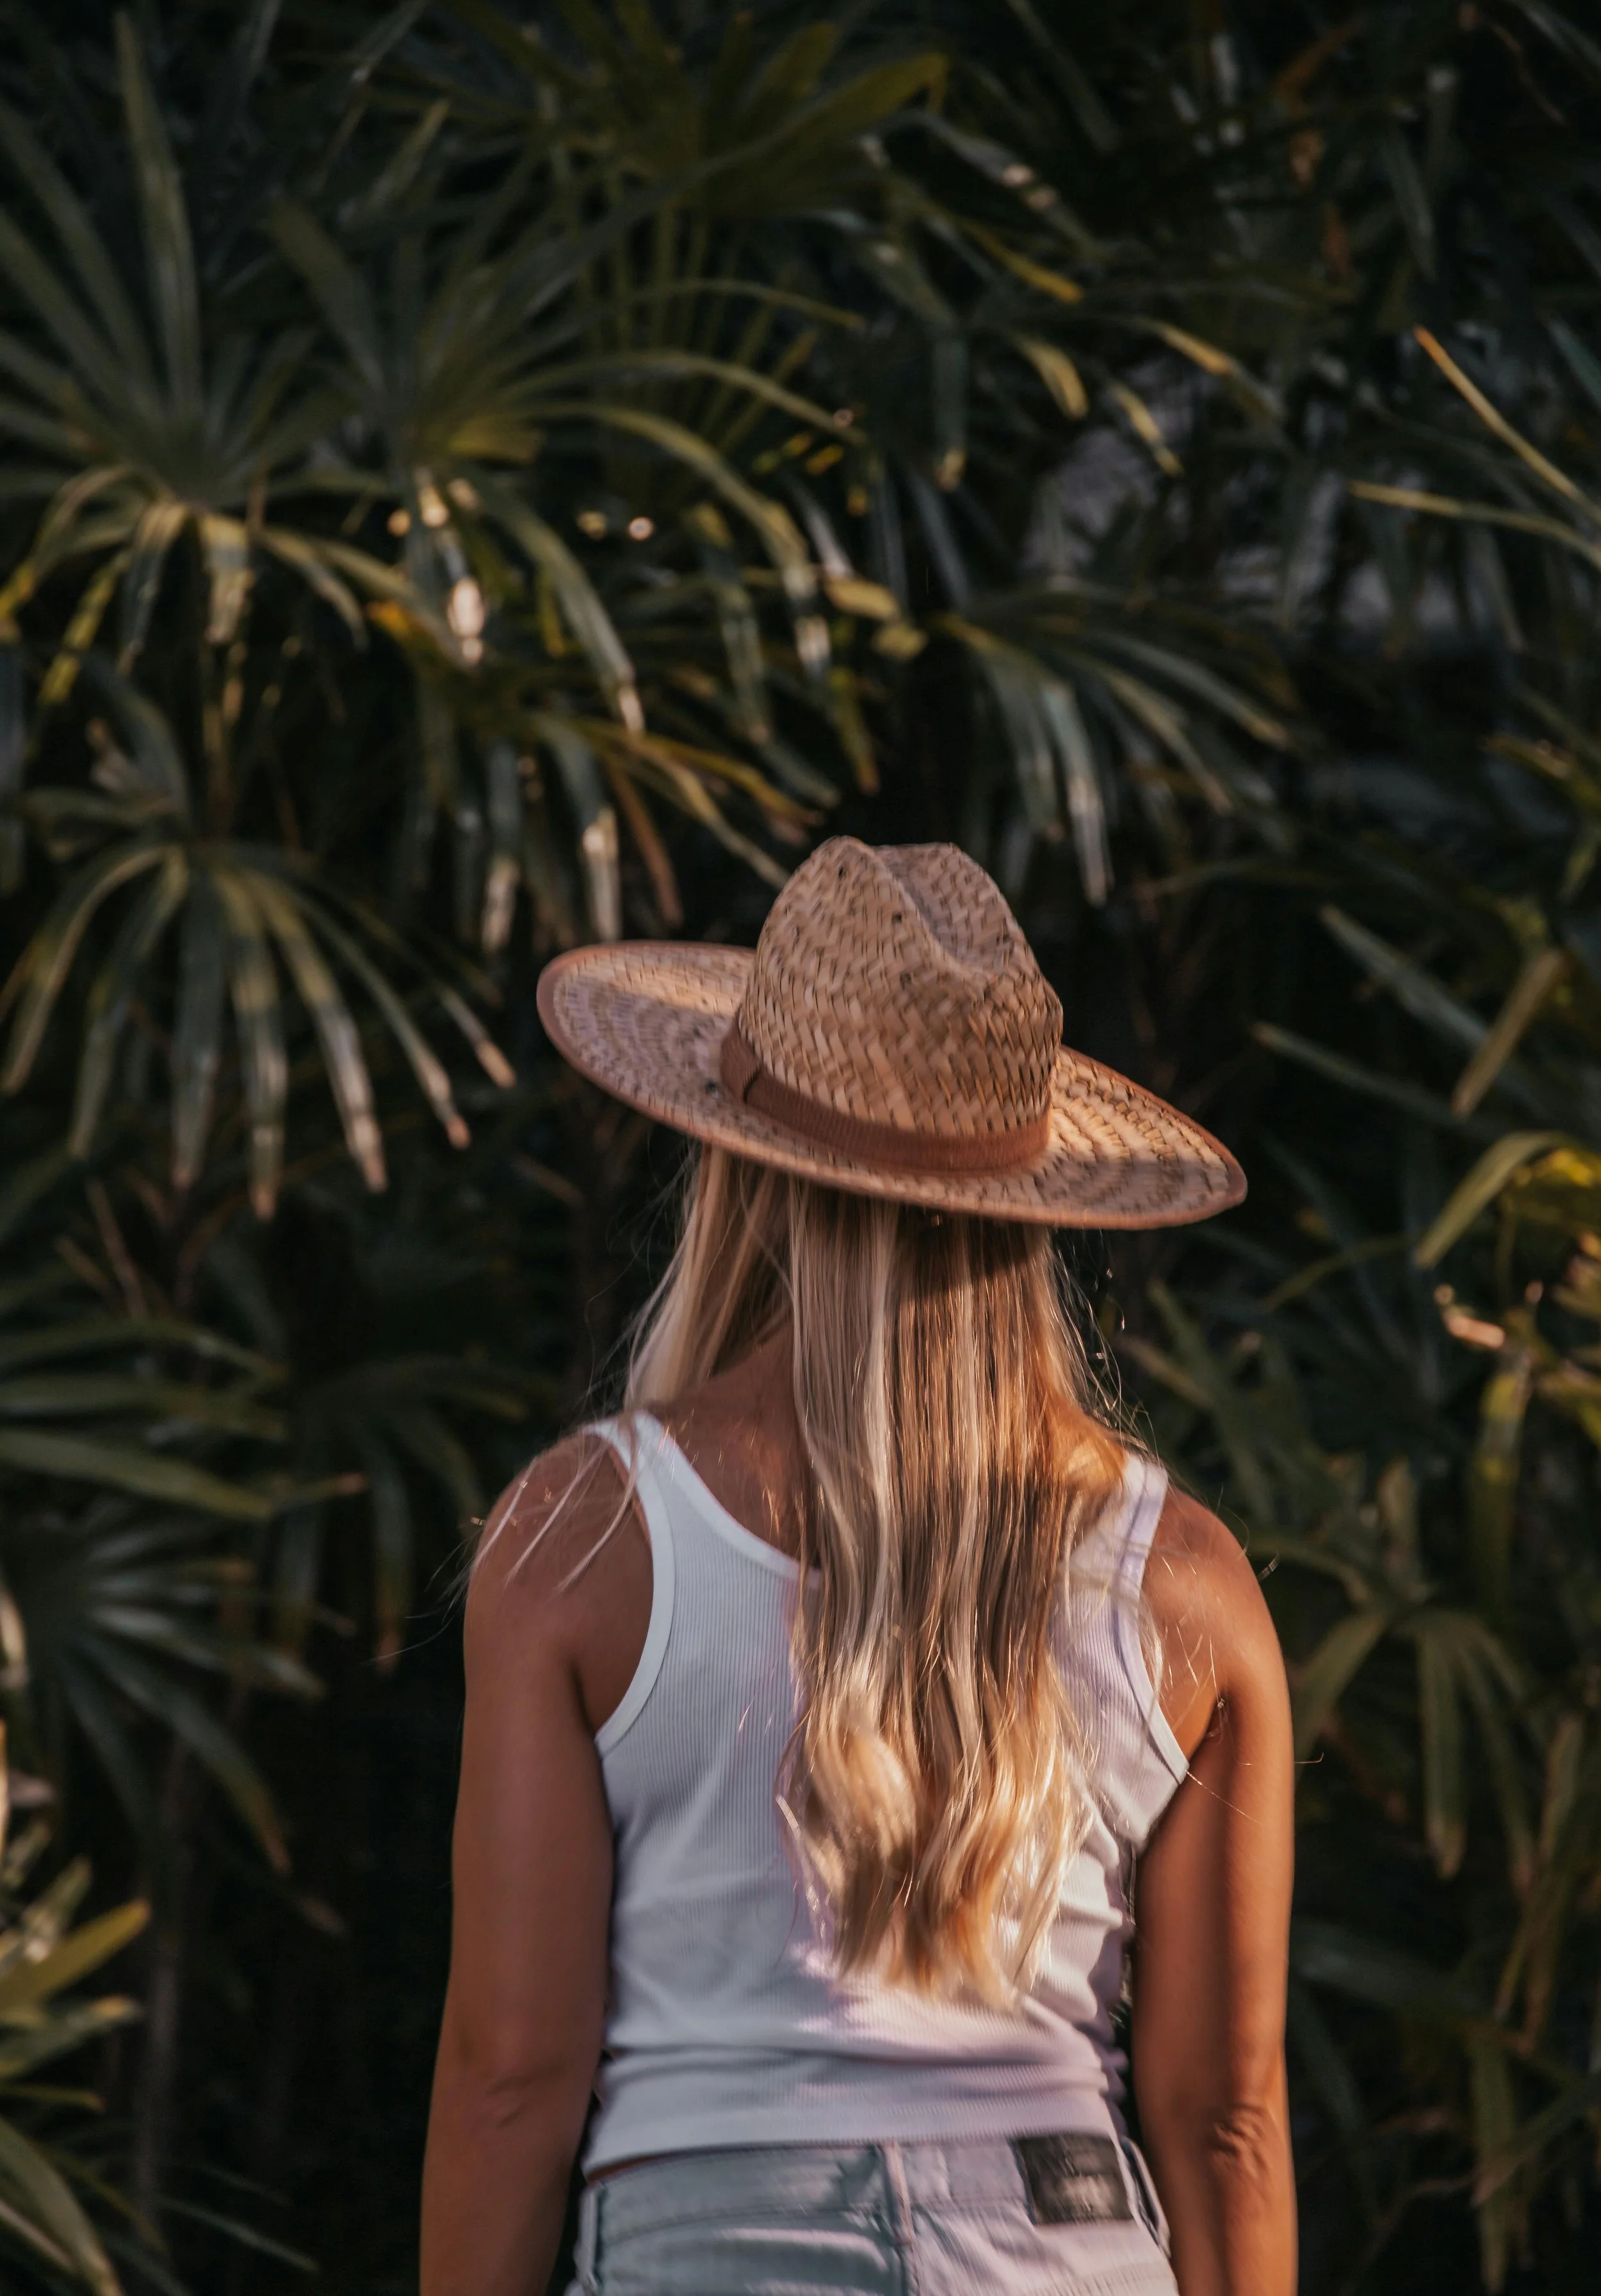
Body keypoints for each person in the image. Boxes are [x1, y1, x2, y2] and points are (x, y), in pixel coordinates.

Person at [420, 837, 1296, 2296]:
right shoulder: (1186, 1587)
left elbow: (514, 2075)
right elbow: (1224, 2122)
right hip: (1067, 2245)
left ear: (740, 1170)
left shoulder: (584, 1540)